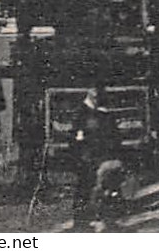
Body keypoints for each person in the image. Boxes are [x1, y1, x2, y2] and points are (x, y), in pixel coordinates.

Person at [71, 88, 120, 230]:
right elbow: (77, 137)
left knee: (102, 187)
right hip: (87, 156)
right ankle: (82, 221)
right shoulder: (82, 113)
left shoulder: (102, 112)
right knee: (85, 187)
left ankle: (102, 218)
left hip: (98, 155)